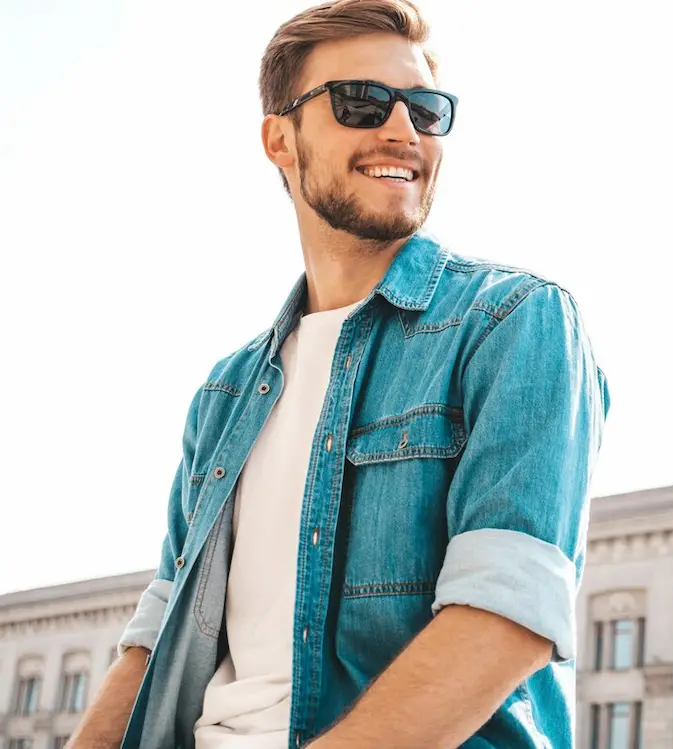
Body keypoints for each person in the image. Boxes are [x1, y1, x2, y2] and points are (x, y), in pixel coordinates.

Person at [69, 1, 609, 747]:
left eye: (425, 110)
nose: (401, 131)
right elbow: (157, 635)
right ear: (280, 139)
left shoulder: (514, 323)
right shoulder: (224, 395)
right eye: (361, 103)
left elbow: (505, 617)